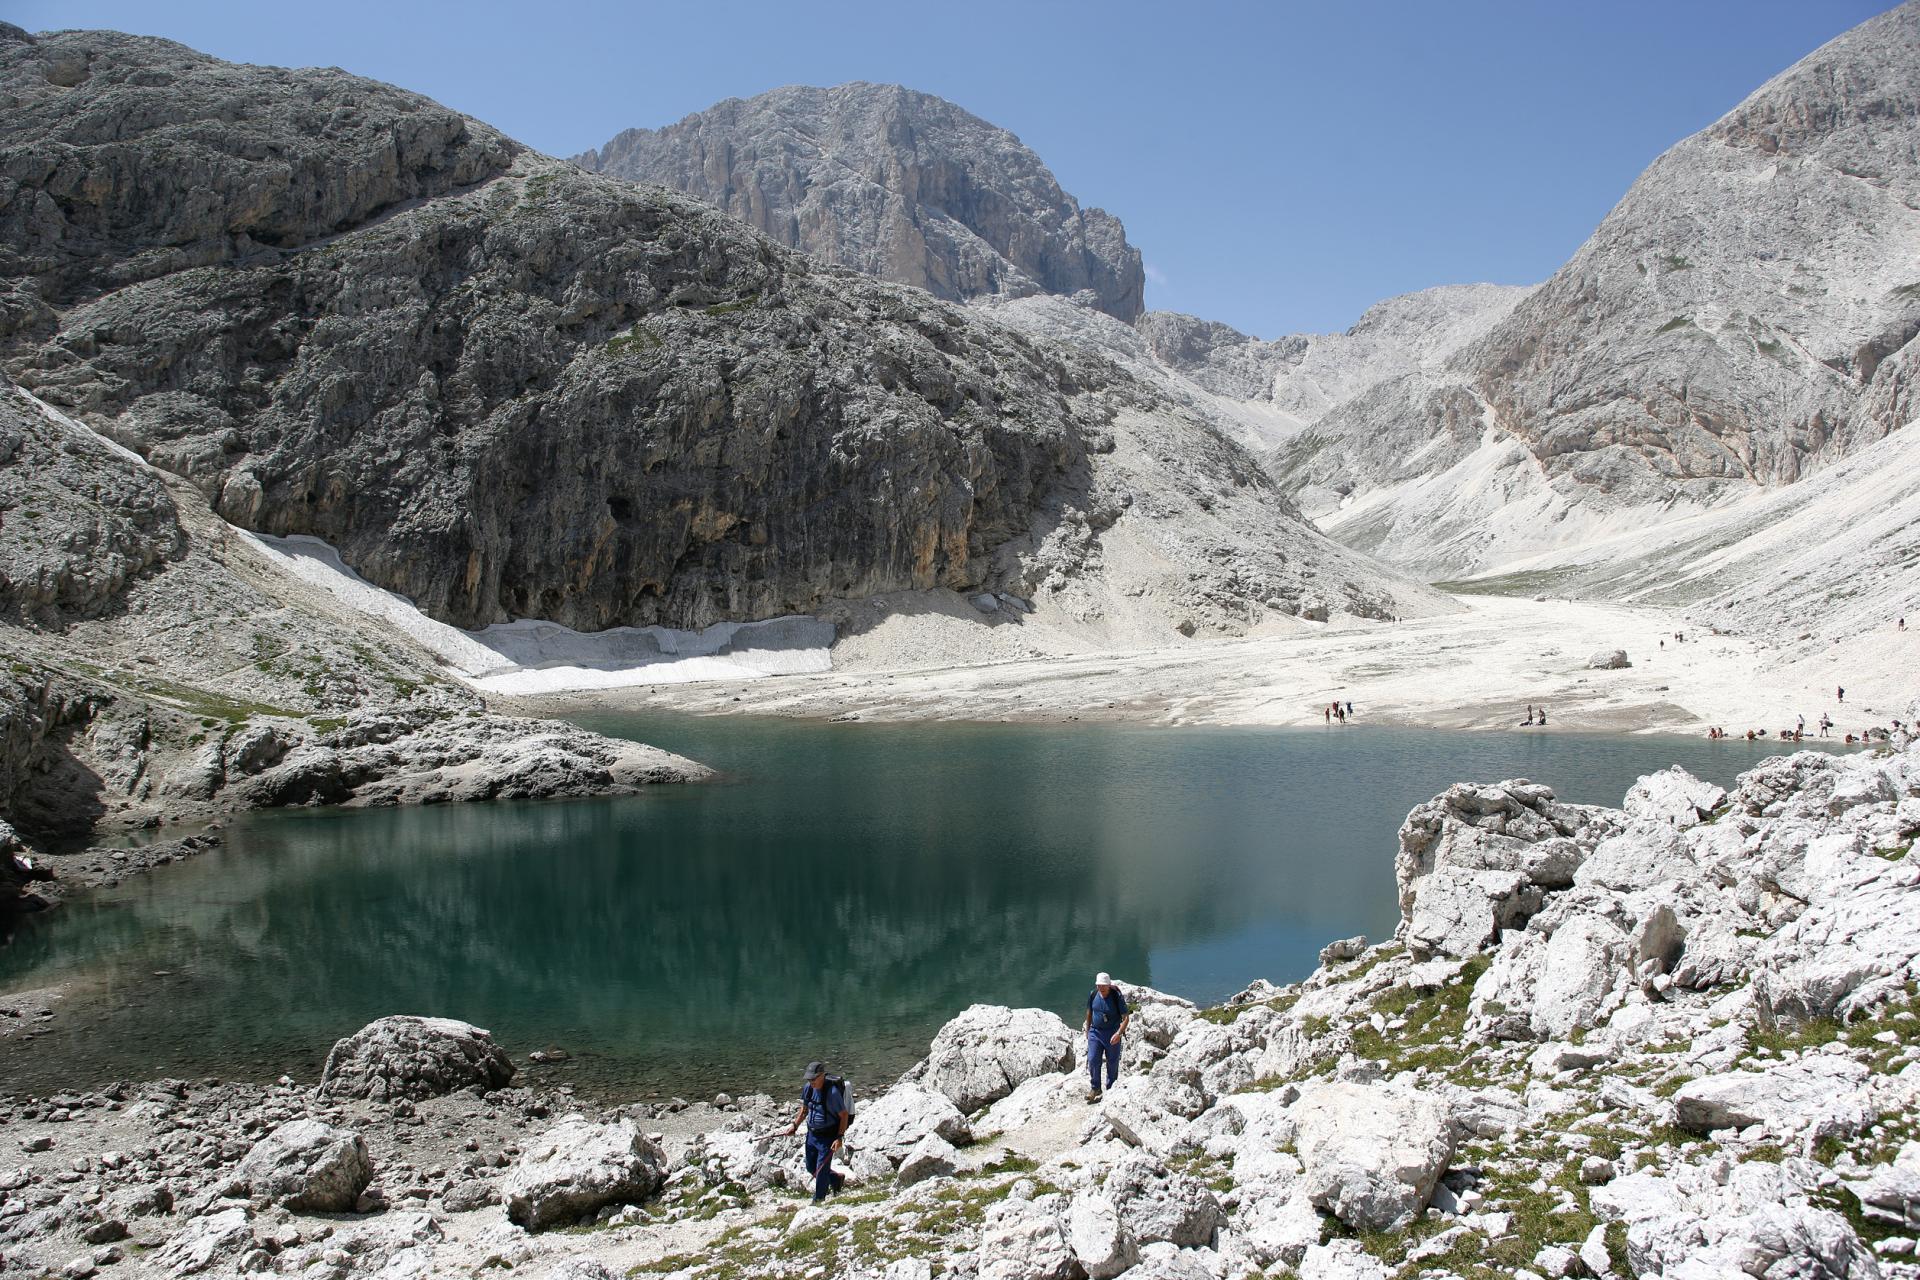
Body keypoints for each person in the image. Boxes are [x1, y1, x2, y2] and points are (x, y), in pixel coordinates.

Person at [785, 1061, 849, 1202]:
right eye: (809, 1079)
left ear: (822, 1076)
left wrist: (839, 1138)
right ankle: (836, 1179)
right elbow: (805, 1109)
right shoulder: (808, 1088)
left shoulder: (832, 1092)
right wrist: (794, 1126)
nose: (811, 1081)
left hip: (828, 1137)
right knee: (810, 1167)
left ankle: (818, 1200)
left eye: (813, 1079)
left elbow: (843, 1115)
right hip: (812, 1134)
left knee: (821, 1169)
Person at [1083, 971, 1131, 1102]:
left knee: (1112, 1062)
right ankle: (1095, 1088)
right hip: (1095, 1032)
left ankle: (1111, 1088)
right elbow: (1089, 1012)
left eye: (1104, 985)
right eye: (1099, 985)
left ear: (1109, 985)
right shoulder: (1093, 995)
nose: (1101, 988)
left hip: (1112, 1033)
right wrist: (1088, 1030)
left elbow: (1126, 1018)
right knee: (1092, 1059)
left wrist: (1118, 1034)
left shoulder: (1116, 997)